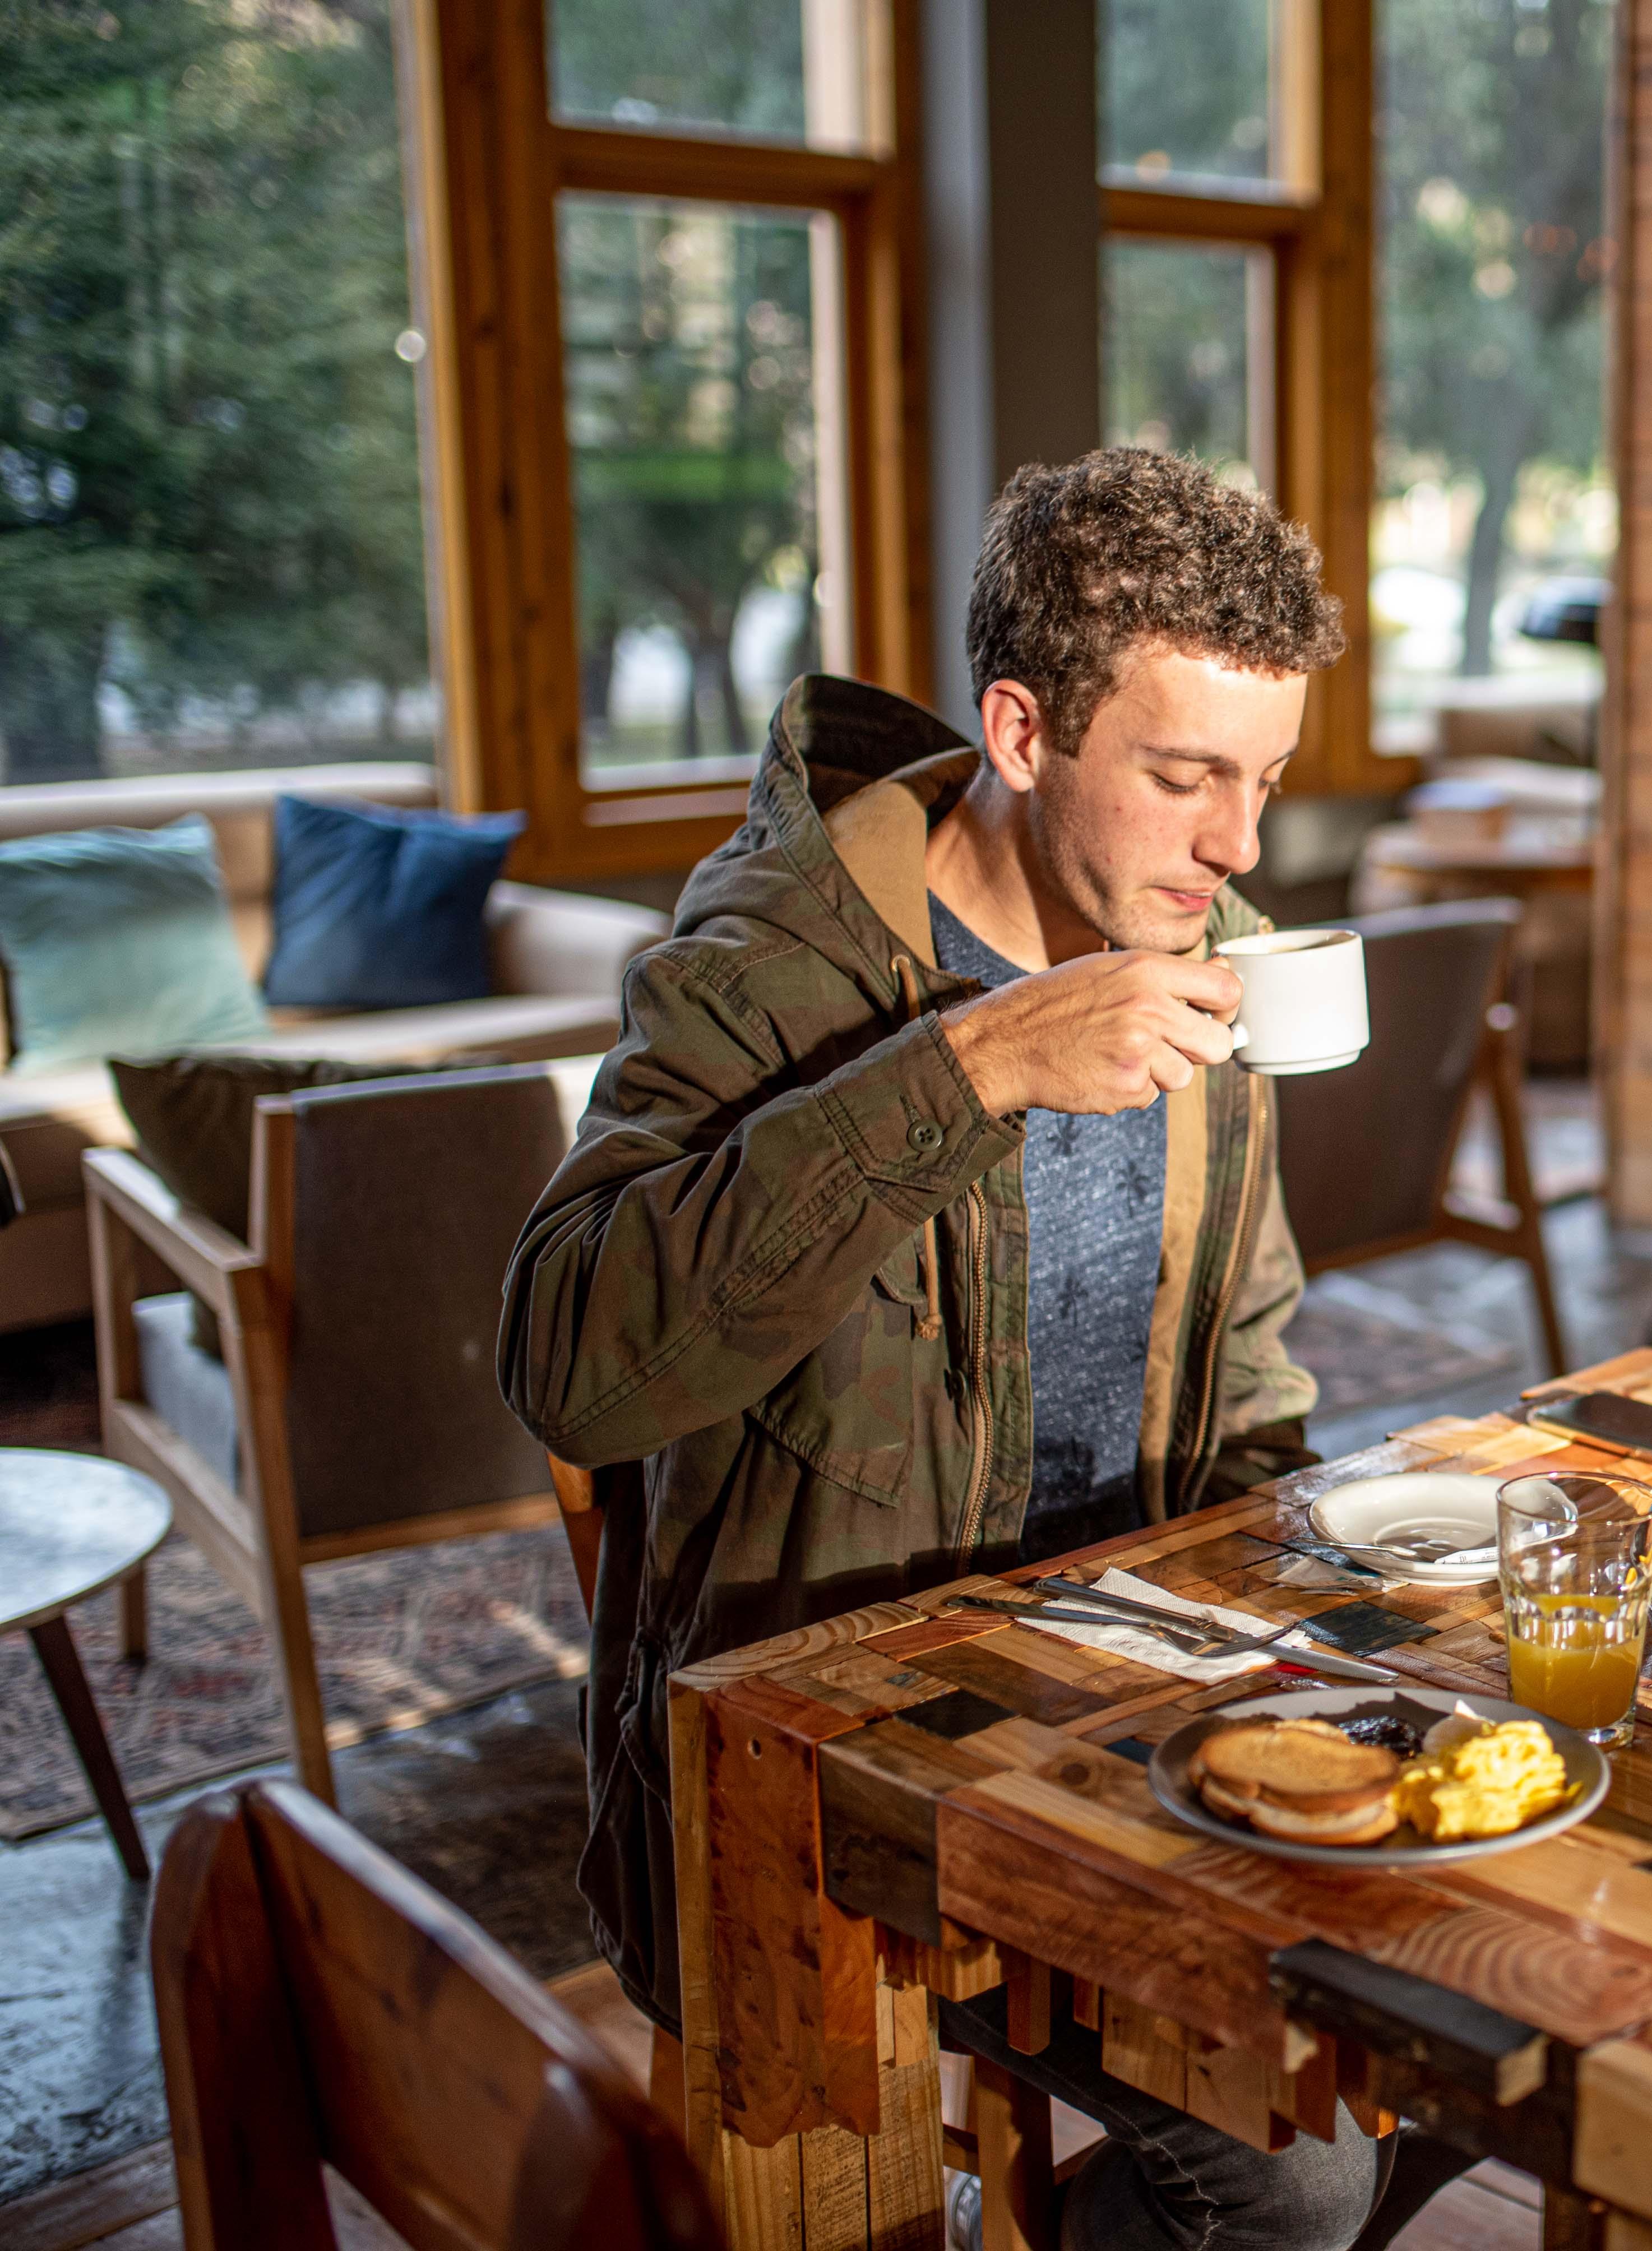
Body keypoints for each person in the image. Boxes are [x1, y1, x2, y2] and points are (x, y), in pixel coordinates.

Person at [499, 450, 1383, 2248]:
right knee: (1292, 2179)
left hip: (1118, 1735)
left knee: (1386, 2053)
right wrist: (971, 1070)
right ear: (1023, 729)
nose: (1240, 846)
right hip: (811, 1782)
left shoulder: (1217, 960)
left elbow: (1249, 1368)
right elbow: (571, 1363)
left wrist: (1306, 1616)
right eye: (1186, 775)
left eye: (1267, 780)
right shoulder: (774, 962)